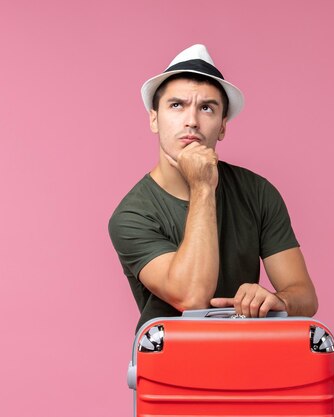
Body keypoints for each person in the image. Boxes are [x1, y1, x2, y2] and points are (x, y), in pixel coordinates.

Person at [108, 44, 318, 332]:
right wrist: (203, 185)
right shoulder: (132, 216)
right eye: (176, 105)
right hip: (170, 365)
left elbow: (305, 296)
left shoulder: (257, 192)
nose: (192, 121)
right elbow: (192, 298)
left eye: (207, 108)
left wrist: (276, 299)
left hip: (247, 357)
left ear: (222, 126)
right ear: (154, 119)